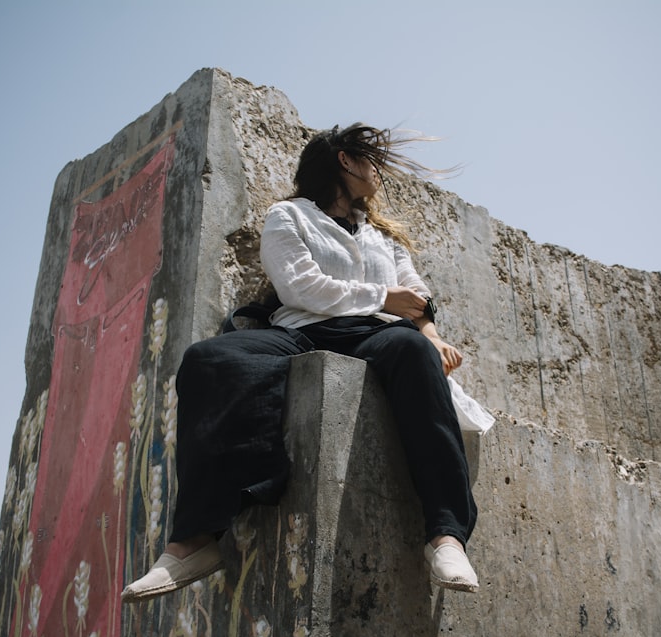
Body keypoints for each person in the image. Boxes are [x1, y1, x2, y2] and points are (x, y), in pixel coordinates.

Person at [122, 123, 480, 602]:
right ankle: (193, 542)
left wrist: (431, 336)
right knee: (210, 358)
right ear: (344, 161)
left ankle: (446, 536)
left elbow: (417, 297)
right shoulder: (288, 216)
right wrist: (382, 295)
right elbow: (300, 287)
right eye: (370, 161)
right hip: (300, 331)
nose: (378, 173)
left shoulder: (383, 240)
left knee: (414, 352)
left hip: (377, 334)